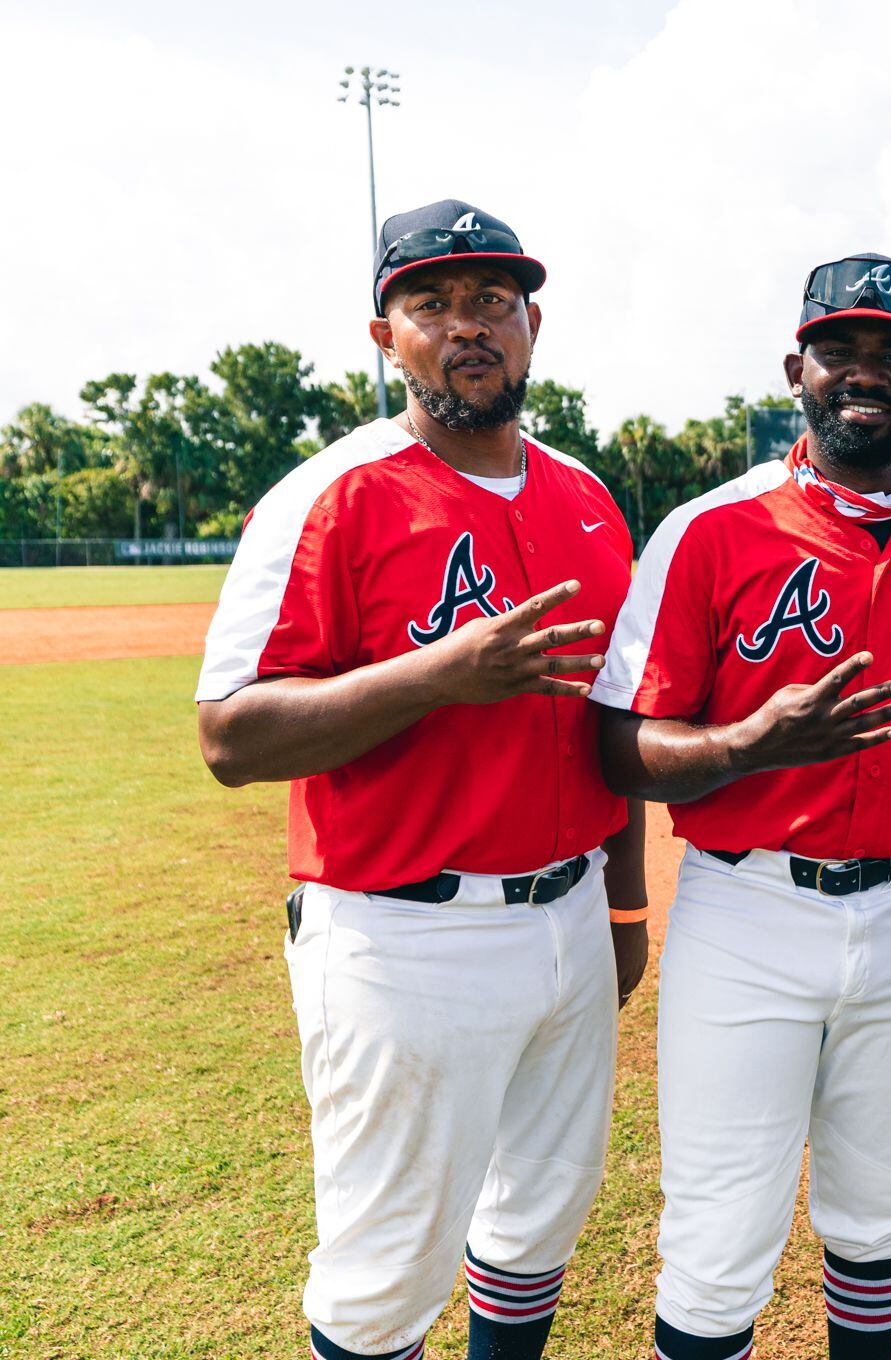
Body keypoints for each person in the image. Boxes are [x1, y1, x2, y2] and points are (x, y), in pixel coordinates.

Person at [195, 199, 646, 1360]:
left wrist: (627, 903)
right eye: (432, 303)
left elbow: (610, 718)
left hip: (570, 914)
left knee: (538, 1225)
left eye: (492, 300)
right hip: (405, 929)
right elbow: (231, 737)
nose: (468, 326)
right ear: (383, 334)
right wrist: (436, 675)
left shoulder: (588, 499)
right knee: (386, 1268)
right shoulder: (329, 496)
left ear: (532, 323)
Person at [593, 253, 891, 1360]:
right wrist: (744, 744)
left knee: (878, 1210)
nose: (865, 372)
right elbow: (613, 742)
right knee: (721, 1232)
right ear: (798, 368)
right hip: (748, 910)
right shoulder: (710, 528)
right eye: (842, 349)